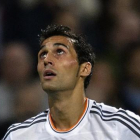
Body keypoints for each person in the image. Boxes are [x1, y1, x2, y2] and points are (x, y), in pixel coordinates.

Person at [3, 25, 140, 140]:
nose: (46, 60)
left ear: (84, 69)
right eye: (42, 54)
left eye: (59, 52)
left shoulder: (121, 127)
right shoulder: (18, 135)